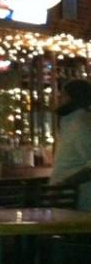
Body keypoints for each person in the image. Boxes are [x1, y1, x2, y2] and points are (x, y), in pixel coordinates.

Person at [50, 79, 91, 210]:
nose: (59, 98)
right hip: (66, 197)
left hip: (78, 199)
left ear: (73, 97)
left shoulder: (81, 124)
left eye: (63, 95)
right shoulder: (70, 122)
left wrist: (66, 183)